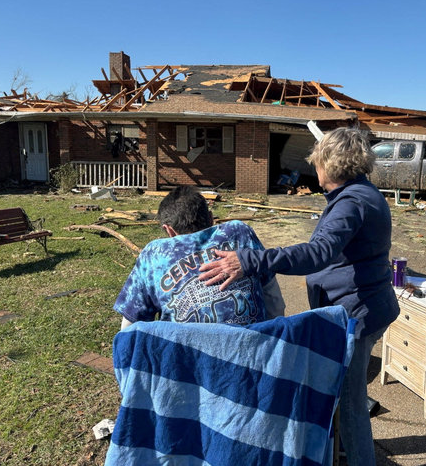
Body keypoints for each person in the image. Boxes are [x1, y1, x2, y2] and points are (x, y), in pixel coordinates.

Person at [199, 127, 399, 466]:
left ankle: (360, 458)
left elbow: (319, 253)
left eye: (317, 163)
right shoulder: (358, 194)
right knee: (340, 393)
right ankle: (338, 450)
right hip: (361, 307)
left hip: (358, 313)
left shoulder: (352, 202)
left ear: (330, 166)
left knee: (351, 404)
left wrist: (250, 260)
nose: (314, 170)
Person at [113, 186, 285, 330]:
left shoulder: (154, 254)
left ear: (169, 230)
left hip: (188, 361)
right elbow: (272, 297)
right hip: (253, 355)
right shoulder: (239, 232)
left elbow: (131, 326)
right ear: (210, 218)